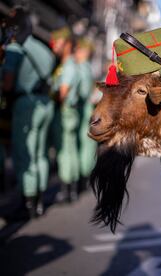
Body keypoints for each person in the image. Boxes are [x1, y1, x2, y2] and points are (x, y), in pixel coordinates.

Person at [1, 7, 55, 217]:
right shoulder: (43, 49)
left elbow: (7, 84)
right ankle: (40, 201)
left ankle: (27, 203)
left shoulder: (15, 48)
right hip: (45, 102)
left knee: (25, 154)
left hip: (26, 103)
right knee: (40, 153)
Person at [49, 27, 81, 202]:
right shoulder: (69, 64)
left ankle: (66, 190)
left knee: (64, 151)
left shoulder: (68, 65)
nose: (55, 45)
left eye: (59, 41)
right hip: (71, 111)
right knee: (71, 149)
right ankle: (72, 188)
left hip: (65, 111)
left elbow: (63, 92)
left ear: (67, 44)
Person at [74, 38, 96, 190]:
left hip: (83, 107)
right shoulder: (89, 67)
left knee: (82, 143)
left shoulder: (81, 67)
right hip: (89, 107)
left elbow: (80, 91)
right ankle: (87, 175)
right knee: (88, 143)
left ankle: (82, 177)